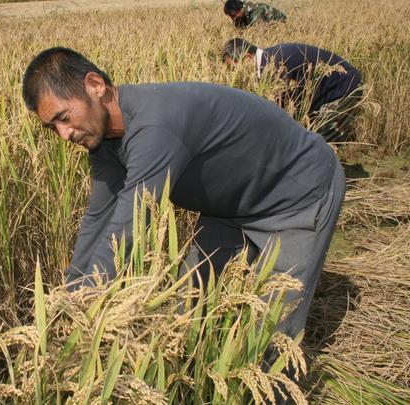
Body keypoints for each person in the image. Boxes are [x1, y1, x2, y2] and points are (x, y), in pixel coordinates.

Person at [21, 47, 345, 340]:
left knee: (270, 331)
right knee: (188, 305)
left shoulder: (154, 127)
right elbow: (99, 219)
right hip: (229, 210)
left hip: (297, 196)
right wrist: (68, 298)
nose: (64, 134)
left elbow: (131, 225)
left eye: (64, 117)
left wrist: (85, 307)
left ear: (96, 85)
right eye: (52, 127)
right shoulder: (104, 142)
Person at [222, 38, 364, 142]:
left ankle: (325, 180)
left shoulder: (275, 63)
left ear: (247, 58)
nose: (237, 74)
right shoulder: (269, 61)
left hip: (345, 88)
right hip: (326, 93)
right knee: (311, 139)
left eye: (235, 68)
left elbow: (282, 110)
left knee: (323, 141)